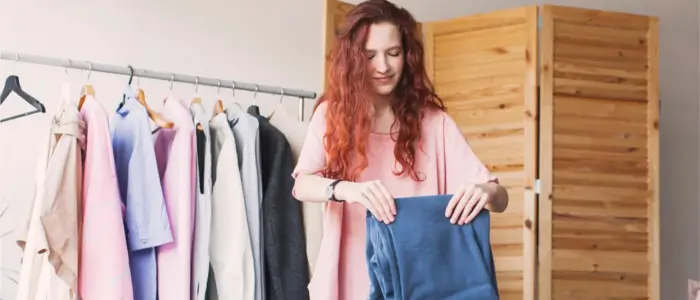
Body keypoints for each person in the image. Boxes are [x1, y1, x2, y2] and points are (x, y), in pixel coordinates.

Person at [291, 0, 510, 299]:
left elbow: (500, 199)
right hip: (348, 280)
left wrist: (488, 192)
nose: (383, 66)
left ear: (408, 55)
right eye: (370, 55)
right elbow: (302, 184)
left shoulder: (435, 124)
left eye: (393, 53)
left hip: (422, 281)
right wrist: (348, 190)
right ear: (354, 59)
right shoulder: (332, 115)